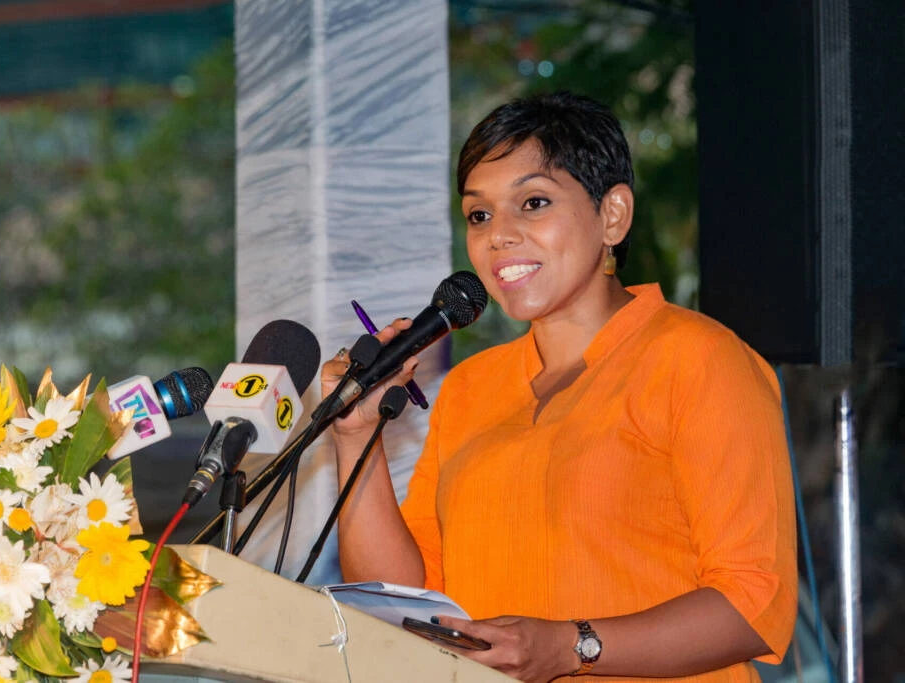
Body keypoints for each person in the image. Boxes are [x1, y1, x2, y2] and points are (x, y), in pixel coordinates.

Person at [321, 90, 797, 682]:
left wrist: (574, 646)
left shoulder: (699, 359)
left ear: (613, 215)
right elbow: (408, 599)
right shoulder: (470, 387)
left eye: (534, 203)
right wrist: (355, 437)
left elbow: (753, 603)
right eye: (479, 214)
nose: (499, 236)